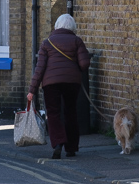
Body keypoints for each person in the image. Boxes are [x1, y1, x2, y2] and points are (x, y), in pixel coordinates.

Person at [27, 14, 91, 159]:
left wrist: (32, 90)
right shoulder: (77, 41)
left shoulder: (47, 42)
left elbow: (40, 68)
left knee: (54, 114)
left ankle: (57, 143)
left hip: (51, 84)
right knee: (70, 113)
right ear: (72, 26)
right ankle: (71, 148)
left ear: (57, 25)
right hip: (72, 82)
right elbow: (84, 63)